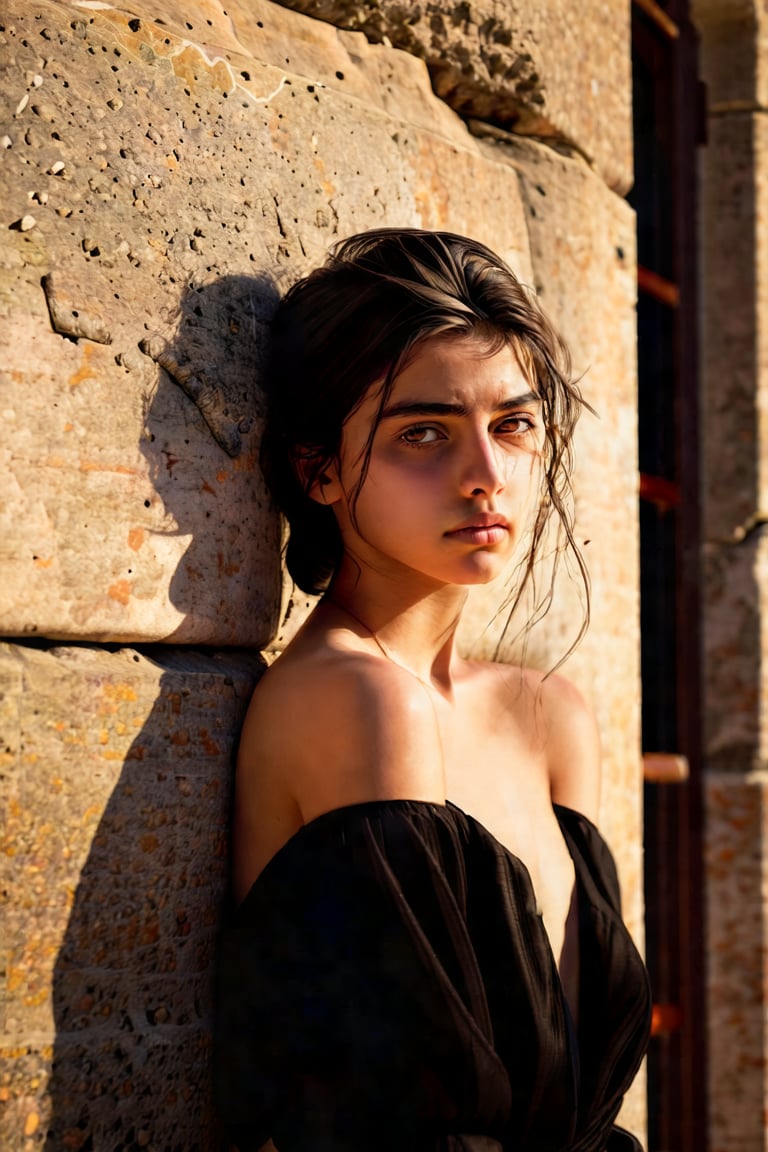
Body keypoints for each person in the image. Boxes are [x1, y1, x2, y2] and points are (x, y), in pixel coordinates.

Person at [215, 229, 652, 1152]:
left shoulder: (549, 717)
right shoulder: (357, 700)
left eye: (513, 425)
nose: (486, 477)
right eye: (424, 433)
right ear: (320, 470)